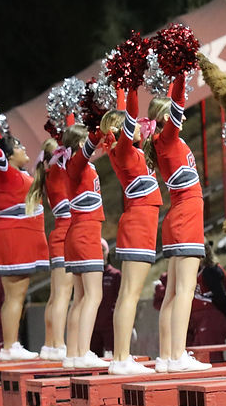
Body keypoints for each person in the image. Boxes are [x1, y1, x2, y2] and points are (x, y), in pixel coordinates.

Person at [148, 73, 210, 372]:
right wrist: (180, 73)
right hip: (185, 216)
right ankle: (177, 355)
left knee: (173, 292)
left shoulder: (164, 142)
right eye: (173, 115)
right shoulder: (167, 139)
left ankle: (166, 356)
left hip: (179, 217)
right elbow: (178, 103)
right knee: (185, 290)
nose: (181, 116)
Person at [98, 91, 163, 375]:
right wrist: (126, 88)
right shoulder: (122, 150)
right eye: (131, 124)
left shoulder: (132, 151)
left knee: (129, 294)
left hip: (141, 224)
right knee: (129, 295)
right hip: (137, 224)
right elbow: (129, 117)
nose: (139, 125)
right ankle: (121, 358)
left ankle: (121, 357)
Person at [0, 128, 48, 360]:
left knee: (14, 296)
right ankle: (10, 346)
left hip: (15, 238)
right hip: (15, 240)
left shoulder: (12, 173)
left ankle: (10, 345)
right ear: (7, 156)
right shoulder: (5, 171)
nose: (24, 148)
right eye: (18, 146)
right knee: (15, 296)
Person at [61, 124, 109, 368]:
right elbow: (90, 144)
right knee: (93, 295)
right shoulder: (76, 164)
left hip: (78, 233)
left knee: (80, 297)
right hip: (85, 232)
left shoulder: (76, 166)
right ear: (81, 145)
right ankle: (82, 353)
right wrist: (97, 129)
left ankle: (73, 354)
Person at [25, 137, 71, 361]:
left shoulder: (50, 175)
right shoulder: (59, 174)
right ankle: (59, 344)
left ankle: (50, 344)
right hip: (66, 235)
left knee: (55, 295)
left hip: (59, 234)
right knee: (62, 295)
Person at [188, 243, 226, 346]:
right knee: (197, 353)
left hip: (211, 319)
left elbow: (220, 296)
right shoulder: (196, 272)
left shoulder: (210, 271)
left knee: (211, 354)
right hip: (199, 320)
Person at [89, 239, 121, 359]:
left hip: (110, 325)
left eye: (102, 250)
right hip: (93, 325)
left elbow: (121, 300)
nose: (100, 253)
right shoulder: (90, 276)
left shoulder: (115, 274)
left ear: (107, 252)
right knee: (93, 358)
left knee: (111, 357)